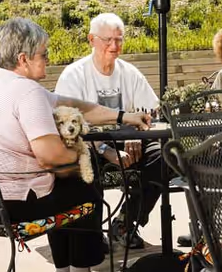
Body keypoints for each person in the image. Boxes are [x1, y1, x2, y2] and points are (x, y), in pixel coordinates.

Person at [0, 17, 150, 272]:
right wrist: (87, 151)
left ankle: (66, 268)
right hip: (8, 206)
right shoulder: (27, 92)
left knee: (67, 184)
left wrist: (122, 116)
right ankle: (82, 269)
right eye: (43, 54)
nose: (48, 58)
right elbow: (51, 157)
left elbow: (71, 105)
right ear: (23, 59)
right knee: (85, 184)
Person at [55, 13, 162, 250]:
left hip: (128, 139)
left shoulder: (130, 73)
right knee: (81, 161)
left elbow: (152, 113)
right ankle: (91, 234)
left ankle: (125, 223)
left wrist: (137, 134)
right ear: (91, 40)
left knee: (162, 156)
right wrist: (106, 151)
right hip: (91, 144)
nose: (114, 46)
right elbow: (68, 128)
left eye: (119, 39)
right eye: (108, 40)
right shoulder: (74, 75)